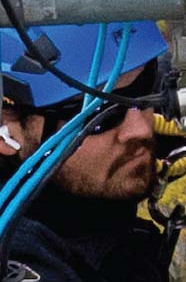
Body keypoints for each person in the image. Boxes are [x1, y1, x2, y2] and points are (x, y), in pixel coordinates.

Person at [0, 21, 176, 282]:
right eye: (97, 116)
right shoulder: (17, 253)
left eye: (145, 89)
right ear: (6, 132)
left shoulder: (80, 178)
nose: (139, 130)